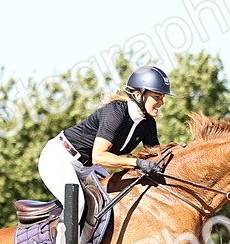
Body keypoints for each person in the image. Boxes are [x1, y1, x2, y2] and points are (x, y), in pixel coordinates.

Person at [37, 65, 171, 205]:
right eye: (157, 97)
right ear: (138, 95)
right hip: (60, 158)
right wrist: (137, 163)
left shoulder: (148, 123)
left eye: (162, 98)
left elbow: (157, 157)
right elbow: (99, 156)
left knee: (114, 201)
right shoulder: (115, 112)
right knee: (79, 205)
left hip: (88, 167)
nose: (161, 103)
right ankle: (62, 228)